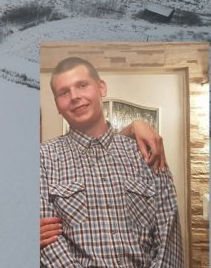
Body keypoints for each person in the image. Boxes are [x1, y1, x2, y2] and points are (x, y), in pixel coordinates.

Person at [39, 57, 182, 267]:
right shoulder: (42, 158)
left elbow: (169, 238)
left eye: (82, 85)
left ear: (101, 88)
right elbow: (48, 243)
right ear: (57, 106)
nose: (75, 96)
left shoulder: (146, 151)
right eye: (64, 92)